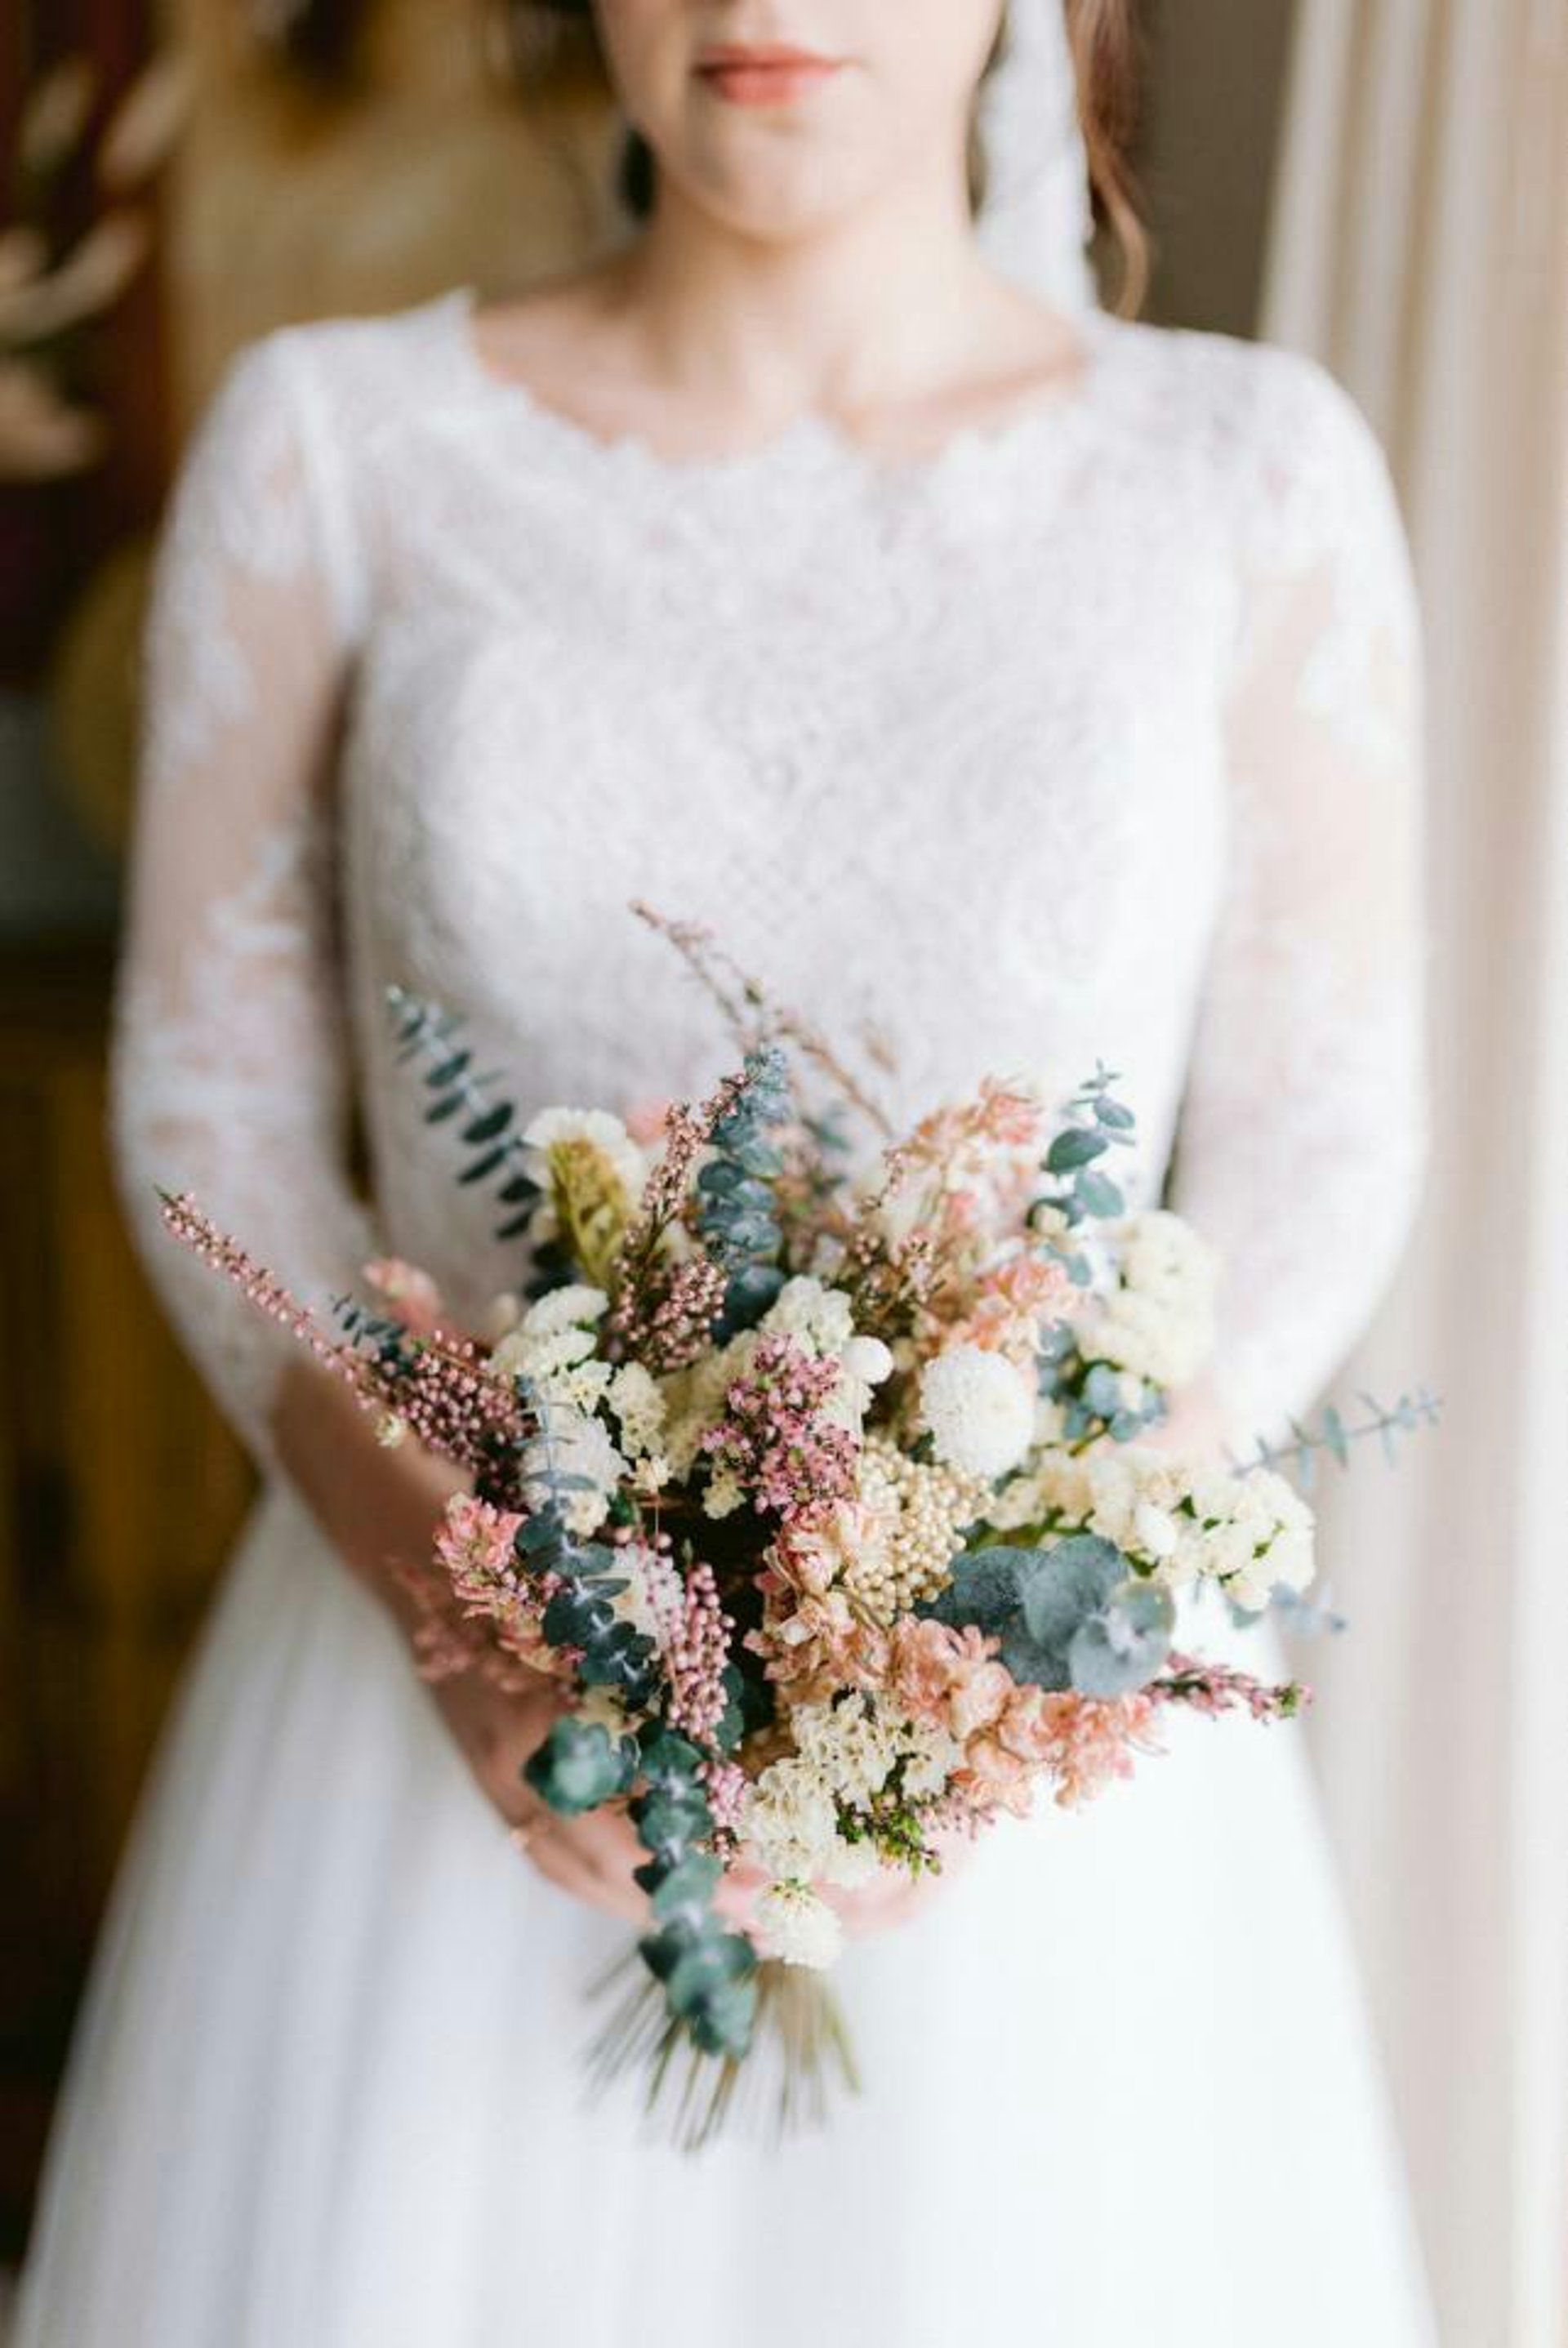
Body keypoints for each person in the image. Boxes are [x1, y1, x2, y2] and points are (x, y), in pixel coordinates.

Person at [14, 2, 1439, 2339]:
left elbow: (1325, 1130)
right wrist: (456, 1594)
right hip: (448, 1718)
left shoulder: (1249, 474)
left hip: (1044, 1813)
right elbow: (210, 1105)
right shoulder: (342, 447)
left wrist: (998, 1631)